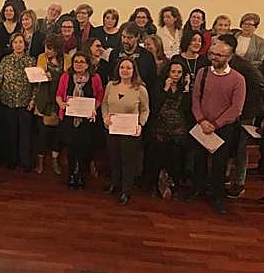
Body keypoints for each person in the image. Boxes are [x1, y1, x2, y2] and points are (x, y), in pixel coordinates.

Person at [188, 41, 245, 214]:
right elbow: (195, 98)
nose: (213, 58)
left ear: (229, 57)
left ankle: (217, 195)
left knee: (219, 163)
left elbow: (236, 108)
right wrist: (201, 120)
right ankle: (198, 188)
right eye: (212, 54)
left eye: (219, 55)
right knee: (199, 159)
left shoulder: (238, 79)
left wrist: (216, 124)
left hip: (223, 128)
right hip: (202, 124)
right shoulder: (202, 72)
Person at [216, 34, 264, 199]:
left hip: (246, 112)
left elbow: (260, 84)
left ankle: (239, 183)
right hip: (230, 111)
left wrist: (242, 105)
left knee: (240, 147)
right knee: (229, 144)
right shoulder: (221, 63)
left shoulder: (242, 65)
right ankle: (224, 177)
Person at [102, 58, 150, 205]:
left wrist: (141, 124)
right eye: (122, 67)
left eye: (128, 68)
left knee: (127, 161)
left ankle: (126, 191)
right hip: (112, 129)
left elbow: (145, 109)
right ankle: (115, 184)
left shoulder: (140, 89)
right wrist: (105, 118)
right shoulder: (111, 85)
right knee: (114, 158)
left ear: (134, 71)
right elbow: (104, 104)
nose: (125, 70)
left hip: (130, 131)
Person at [57, 52, 104, 187]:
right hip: (69, 119)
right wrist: (61, 104)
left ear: (87, 64)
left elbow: (100, 95)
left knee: (84, 149)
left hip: (87, 120)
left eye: (82, 61)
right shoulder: (66, 76)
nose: (78, 64)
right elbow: (59, 94)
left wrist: (94, 107)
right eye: (76, 61)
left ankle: (82, 175)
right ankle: (71, 175)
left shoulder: (95, 78)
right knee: (71, 148)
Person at [148, 61, 192, 198]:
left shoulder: (184, 88)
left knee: (176, 160)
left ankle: (174, 186)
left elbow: (187, 108)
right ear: (168, 72)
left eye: (179, 72)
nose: (176, 75)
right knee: (157, 158)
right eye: (173, 72)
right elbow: (155, 105)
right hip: (160, 128)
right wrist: (165, 89)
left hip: (178, 129)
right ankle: (154, 185)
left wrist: (186, 89)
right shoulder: (159, 85)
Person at [0, 32, 37, 171]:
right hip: (8, 102)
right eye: (15, 42)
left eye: (20, 42)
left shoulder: (31, 61)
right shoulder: (5, 60)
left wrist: (33, 100)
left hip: (25, 102)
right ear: (11, 45)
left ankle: (26, 162)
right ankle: (11, 160)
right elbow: (0, 80)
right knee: (11, 133)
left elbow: (35, 84)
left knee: (25, 134)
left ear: (25, 44)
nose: (18, 45)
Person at [34, 34, 70, 175]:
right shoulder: (42, 58)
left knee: (58, 134)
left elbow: (68, 77)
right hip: (45, 100)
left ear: (57, 49)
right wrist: (43, 75)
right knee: (43, 133)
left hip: (60, 101)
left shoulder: (67, 59)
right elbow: (38, 75)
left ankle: (55, 159)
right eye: (46, 48)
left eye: (50, 48)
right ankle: (40, 161)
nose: (47, 51)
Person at [110, 22, 157, 94]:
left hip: (139, 94)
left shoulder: (147, 56)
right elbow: (112, 77)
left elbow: (152, 82)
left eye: (129, 38)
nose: (125, 41)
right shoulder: (114, 54)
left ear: (137, 37)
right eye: (123, 37)